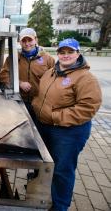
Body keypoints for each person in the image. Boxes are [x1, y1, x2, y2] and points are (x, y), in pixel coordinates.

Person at [32, 38, 102, 211]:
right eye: (62, 52)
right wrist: (35, 106)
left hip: (68, 132)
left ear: (78, 54)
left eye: (70, 52)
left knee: (62, 170)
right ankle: (39, 196)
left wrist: (55, 116)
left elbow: (87, 108)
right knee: (44, 165)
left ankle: (60, 206)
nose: (66, 56)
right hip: (44, 126)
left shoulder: (85, 78)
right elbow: (41, 95)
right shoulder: (50, 72)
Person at [0, 28, 55, 120]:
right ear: (19, 42)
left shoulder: (48, 59)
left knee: (37, 130)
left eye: (30, 40)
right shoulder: (12, 57)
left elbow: (54, 81)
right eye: (24, 40)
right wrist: (19, 83)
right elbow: (3, 76)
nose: (27, 43)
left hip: (39, 103)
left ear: (36, 40)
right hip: (18, 101)